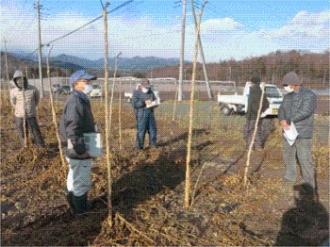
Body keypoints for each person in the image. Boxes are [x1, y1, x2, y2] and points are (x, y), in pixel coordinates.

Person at [59, 70, 97, 215]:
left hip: (76, 145)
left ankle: (73, 202)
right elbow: (72, 129)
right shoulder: (75, 101)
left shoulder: (80, 99)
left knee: (74, 174)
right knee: (81, 178)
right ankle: (82, 210)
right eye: (86, 82)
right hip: (78, 146)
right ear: (76, 84)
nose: (89, 85)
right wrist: (81, 150)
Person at [278, 71, 317, 195]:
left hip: (303, 133)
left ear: (295, 84)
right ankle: (290, 177)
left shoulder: (309, 95)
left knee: (304, 158)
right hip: (288, 132)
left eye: (287, 85)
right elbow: (281, 110)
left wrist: (288, 120)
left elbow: (305, 111)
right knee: (288, 156)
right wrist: (282, 120)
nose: (285, 87)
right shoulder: (287, 97)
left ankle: (309, 184)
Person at [9, 70, 45, 148]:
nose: (20, 81)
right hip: (19, 116)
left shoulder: (33, 89)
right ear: (15, 81)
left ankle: (41, 147)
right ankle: (25, 147)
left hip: (31, 115)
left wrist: (31, 109)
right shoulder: (13, 91)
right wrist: (19, 110)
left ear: (25, 79)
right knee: (21, 132)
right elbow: (13, 102)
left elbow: (37, 100)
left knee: (35, 131)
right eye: (18, 80)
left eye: (22, 79)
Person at [243, 76, 269, 150]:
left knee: (248, 130)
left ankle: (249, 146)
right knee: (257, 130)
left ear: (253, 83)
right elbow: (267, 104)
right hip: (258, 116)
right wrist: (261, 111)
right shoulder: (261, 92)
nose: (250, 84)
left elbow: (250, 105)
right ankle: (259, 146)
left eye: (251, 83)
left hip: (252, 116)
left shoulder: (253, 91)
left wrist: (250, 114)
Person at [132, 79, 157, 150]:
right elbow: (135, 105)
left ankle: (153, 146)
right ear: (141, 86)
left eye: (148, 87)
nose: (147, 89)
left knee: (153, 130)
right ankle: (139, 148)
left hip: (150, 113)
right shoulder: (136, 93)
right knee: (141, 131)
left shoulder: (151, 92)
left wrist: (155, 104)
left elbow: (154, 100)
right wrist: (143, 102)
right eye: (146, 87)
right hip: (141, 113)